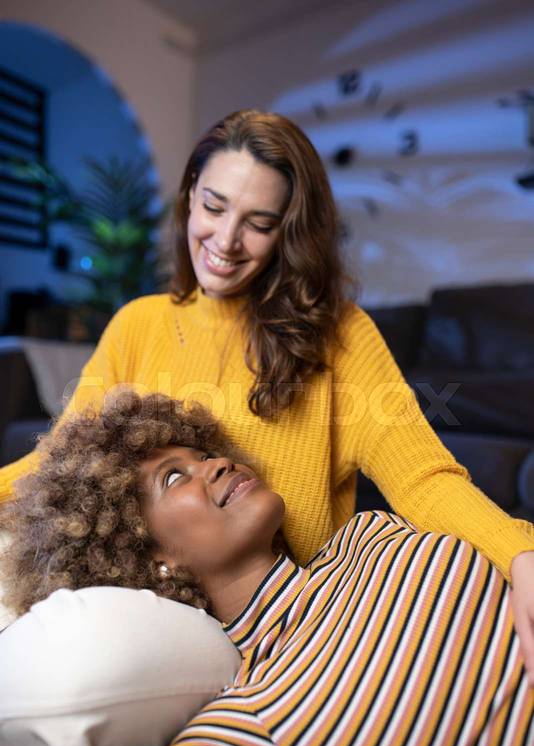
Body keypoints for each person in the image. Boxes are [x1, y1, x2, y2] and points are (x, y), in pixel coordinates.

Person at [0, 109, 533, 677]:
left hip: (293, 641)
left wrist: (519, 553)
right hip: (160, 624)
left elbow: (422, 477)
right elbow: (57, 467)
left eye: (259, 221)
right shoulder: (139, 324)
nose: (226, 241)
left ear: (289, 231)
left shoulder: (340, 334)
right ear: (189, 197)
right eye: (213, 206)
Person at [0, 389, 532, 746]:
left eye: (203, 453)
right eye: (173, 478)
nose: (216, 464)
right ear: (149, 556)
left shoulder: (371, 535)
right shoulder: (252, 718)